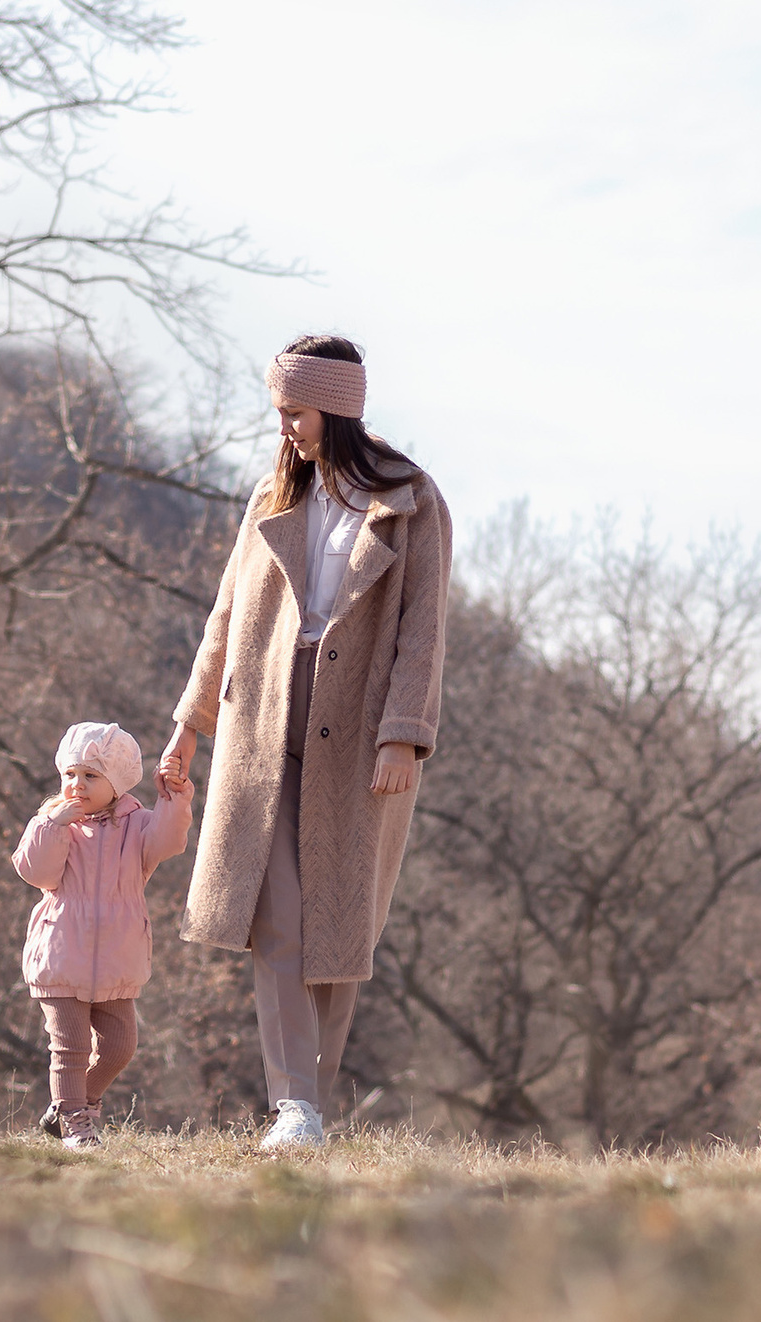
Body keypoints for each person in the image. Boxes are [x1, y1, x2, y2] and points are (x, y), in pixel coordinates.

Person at [161, 335, 452, 1151]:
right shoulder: (270, 496)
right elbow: (226, 615)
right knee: (278, 916)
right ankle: (295, 1105)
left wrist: (404, 736)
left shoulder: (412, 499)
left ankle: (309, 1110)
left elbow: (423, 632)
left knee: (338, 928)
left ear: (337, 407)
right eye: (281, 409)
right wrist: (188, 727)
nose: (283, 424)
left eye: (294, 409)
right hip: (262, 718)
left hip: (360, 730)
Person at [11, 721, 193, 1150]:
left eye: (91, 776)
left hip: (118, 955)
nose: (77, 785)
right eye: (70, 775)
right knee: (69, 1046)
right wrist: (53, 826)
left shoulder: (139, 825)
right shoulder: (54, 822)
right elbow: (35, 872)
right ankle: (75, 1118)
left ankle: (72, 1105)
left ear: (117, 783)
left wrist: (174, 798)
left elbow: (169, 841)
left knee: (119, 1047)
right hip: (61, 953)